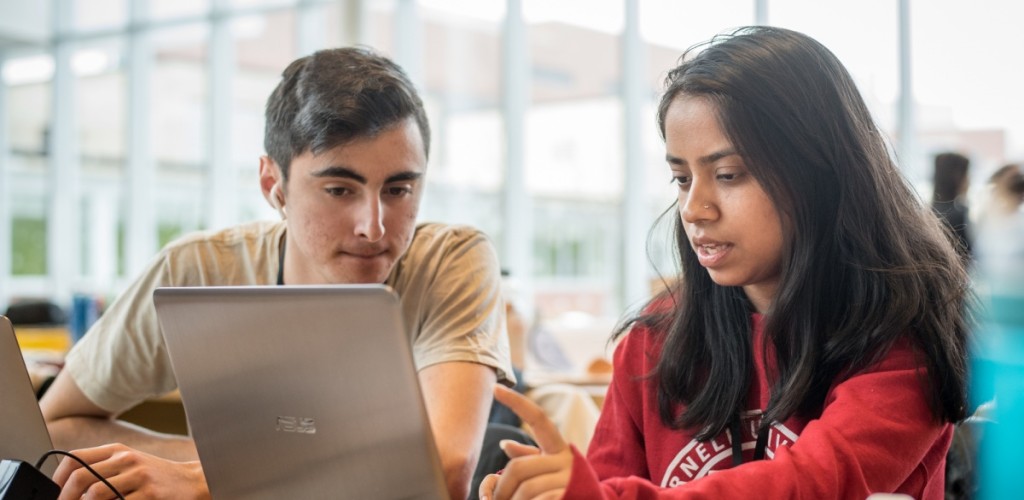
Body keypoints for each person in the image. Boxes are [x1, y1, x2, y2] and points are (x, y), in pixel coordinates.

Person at [480, 26, 969, 500]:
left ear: (820, 172)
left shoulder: (898, 344)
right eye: (682, 178)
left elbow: (815, 485)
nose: (695, 208)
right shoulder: (653, 345)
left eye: (729, 174)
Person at [40, 46, 515, 500]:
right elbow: (54, 427)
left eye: (398, 190)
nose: (374, 227)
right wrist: (217, 470)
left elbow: (445, 474)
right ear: (274, 184)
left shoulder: (453, 260)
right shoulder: (196, 269)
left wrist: (217, 482)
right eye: (338, 190)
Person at [931, 151, 973, 259]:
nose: (969, 181)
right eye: (966, 174)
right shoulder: (958, 214)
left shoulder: (929, 212)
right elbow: (968, 257)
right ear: (956, 178)